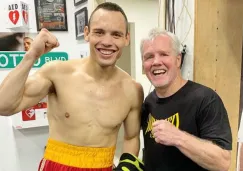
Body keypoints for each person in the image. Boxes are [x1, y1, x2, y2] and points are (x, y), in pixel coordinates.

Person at [0, 2, 144, 171]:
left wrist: (126, 167)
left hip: (104, 166)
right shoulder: (57, 73)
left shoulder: (133, 90)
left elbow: (131, 137)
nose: (107, 41)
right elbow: (4, 105)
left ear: (127, 38)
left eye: (116, 34)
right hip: (57, 166)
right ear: (86, 33)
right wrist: (31, 55)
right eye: (99, 32)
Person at [140, 28, 232, 171]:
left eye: (164, 54)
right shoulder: (149, 102)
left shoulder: (205, 99)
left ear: (178, 60)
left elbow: (222, 162)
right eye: (149, 57)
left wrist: (178, 137)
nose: (156, 62)